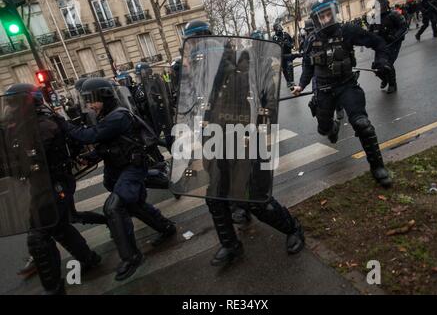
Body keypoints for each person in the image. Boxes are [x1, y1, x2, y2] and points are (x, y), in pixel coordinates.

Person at [176, 32, 306, 267]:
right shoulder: (203, 84)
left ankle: (293, 227)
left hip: (246, 147)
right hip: (218, 148)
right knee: (215, 198)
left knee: (256, 201)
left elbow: (264, 104)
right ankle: (230, 245)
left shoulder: (239, 75)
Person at [56, 78, 176, 281]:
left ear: (104, 96)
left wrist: (64, 124)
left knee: (113, 208)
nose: (89, 105)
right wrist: (92, 156)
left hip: (132, 168)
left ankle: (131, 257)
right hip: (120, 169)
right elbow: (110, 143)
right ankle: (165, 227)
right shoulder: (107, 115)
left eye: (92, 100)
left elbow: (89, 136)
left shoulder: (117, 116)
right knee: (134, 205)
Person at [5, 83, 102, 295]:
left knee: (39, 236)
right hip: (42, 187)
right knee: (59, 227)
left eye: (14, 104)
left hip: (55, 185)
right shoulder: (21, 127)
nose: (10, 110)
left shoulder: (43, 125)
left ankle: (54, 288)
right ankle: (89, 259)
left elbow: (31, 157)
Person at [292, 0, 393, 188]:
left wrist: (382, 61)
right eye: (322, 15)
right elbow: (307, 66)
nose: (326, 18)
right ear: (316, 18)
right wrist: (301, 85)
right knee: (324, 130)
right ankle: (333, 127)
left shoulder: (348, 31)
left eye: (329, 13)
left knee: (362, 124)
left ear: (334, 12)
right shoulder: (311, 40)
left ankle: (378, 167)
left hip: (346, 85)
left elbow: (378, 42)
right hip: (323, 89)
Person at [368, 0, 407, 93]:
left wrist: (395, 36)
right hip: (380, 45)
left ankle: (392, 84)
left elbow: (403, 26)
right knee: (376, 67)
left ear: (385, 5)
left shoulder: (393, 14)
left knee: (387, 64)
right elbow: (370, 32)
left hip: (393, 44)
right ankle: (384, 79)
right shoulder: (375, 18)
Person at [272, 23, 295, 87]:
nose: (279, 30)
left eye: (279, 28)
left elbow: (292, 42)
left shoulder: (286, 34)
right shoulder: (274, 38)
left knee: (290, 67)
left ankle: (292, 81)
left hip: (288, 54)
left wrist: (289, 44)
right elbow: (273, 47)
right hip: (281, 56)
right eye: (277, 28)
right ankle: (288, 81)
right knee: (284, 69)